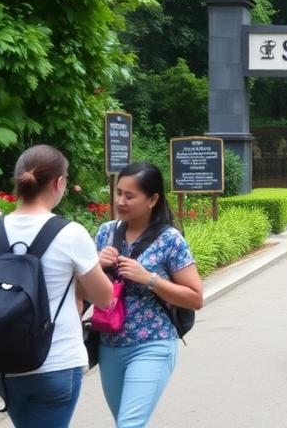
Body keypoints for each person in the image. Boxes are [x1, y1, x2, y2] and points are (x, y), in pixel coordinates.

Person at [0, 145, 114, 427]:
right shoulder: (71, 234)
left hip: (3, 368)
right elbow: (104, 297)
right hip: (56, 363)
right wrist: (89, 270)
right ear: (59, 182)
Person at [95, 162, 204, 427]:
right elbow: (82, 291)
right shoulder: (106, 233)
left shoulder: (170, 239)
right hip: (109, 344)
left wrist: (149, 278)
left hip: (152, 344)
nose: (120, 201)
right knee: (124, 421)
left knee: (129, 424)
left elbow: (195, 298)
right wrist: (96, 266)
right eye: (119, 193)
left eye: (129, 196)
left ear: (153, 199)